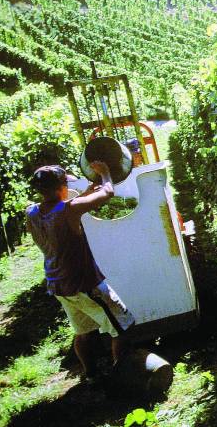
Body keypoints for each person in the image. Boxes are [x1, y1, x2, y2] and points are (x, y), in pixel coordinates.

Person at [26, 163, 136, 380]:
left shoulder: (31, 212)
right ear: (61, 187)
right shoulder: (70, 209)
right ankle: (121, 377)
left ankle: (91, 375)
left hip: (58, 284)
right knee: (123, 326)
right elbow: (108, 192)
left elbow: (55, 210)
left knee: (83, 331)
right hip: (83, 283)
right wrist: (105, 171)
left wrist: (83, 197)